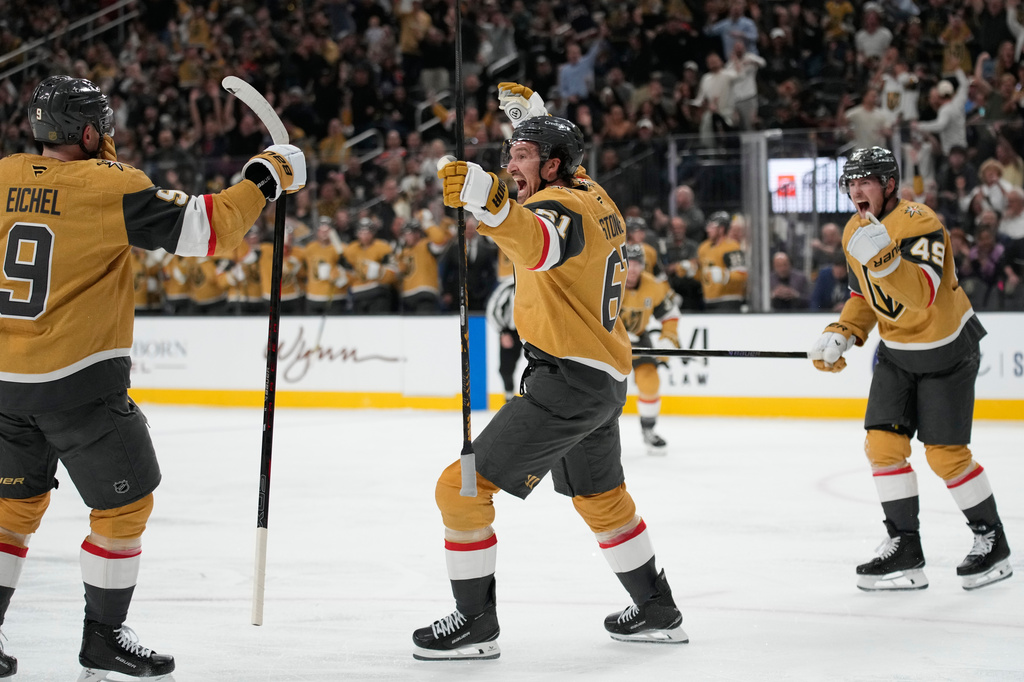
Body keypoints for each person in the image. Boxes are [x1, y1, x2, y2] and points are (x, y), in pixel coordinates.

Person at [0, 75, 305, 678]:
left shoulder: (4, 174)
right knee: (125, 504)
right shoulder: (108, 185)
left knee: (10, 509)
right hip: (78, 382)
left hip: (6, 383)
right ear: (91, 133)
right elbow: (206, 229)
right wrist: (265, 178)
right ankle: (103, 637)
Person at [414, 83, 687, 660]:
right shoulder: (594, 193)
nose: (509, 165)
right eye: (509, 155)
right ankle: (657, 608)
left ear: (553, 165)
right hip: (601, 380)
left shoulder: (556, 207)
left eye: (520, 156)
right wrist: (538, 125)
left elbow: (539, 242)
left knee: (459, 491)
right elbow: (561, 194)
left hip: (566, 383)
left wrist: (489, 204)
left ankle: (475, 623)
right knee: (601, 498)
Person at [808, 146, 1012, 592]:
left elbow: (922, 294)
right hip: (898, 352)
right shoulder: (853, 230)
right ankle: (905, 547)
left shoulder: (921, 222)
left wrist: (884, 258)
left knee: (945, 455)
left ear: (889, 185)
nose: (856, 191)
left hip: (947, 351)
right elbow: (863, 296)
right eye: (851, 183)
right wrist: (844, 330)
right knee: (882, 445)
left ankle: (992, 540)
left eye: (866, 182)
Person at [620, 244, 681, 455]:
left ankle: (649, 431)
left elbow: (670, 315)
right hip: (607, 342)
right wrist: (616, 336)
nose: (633, 269)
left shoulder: (653, 286)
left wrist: (669, 337)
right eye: (629, 263)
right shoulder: (607, 281)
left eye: (637, 264)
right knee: (600, 388)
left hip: (638, 338)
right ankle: (590, 434)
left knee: (650, 381)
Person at [697, 211, 748, 311]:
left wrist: (725, 276)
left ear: (721, 229)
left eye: (712, 227)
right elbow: (704, 275)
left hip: (729, 300)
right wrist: (692, 271)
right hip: (708, 301)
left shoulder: (731, 247)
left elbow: (742, 275)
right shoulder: (704, 247)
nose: (708, 230)